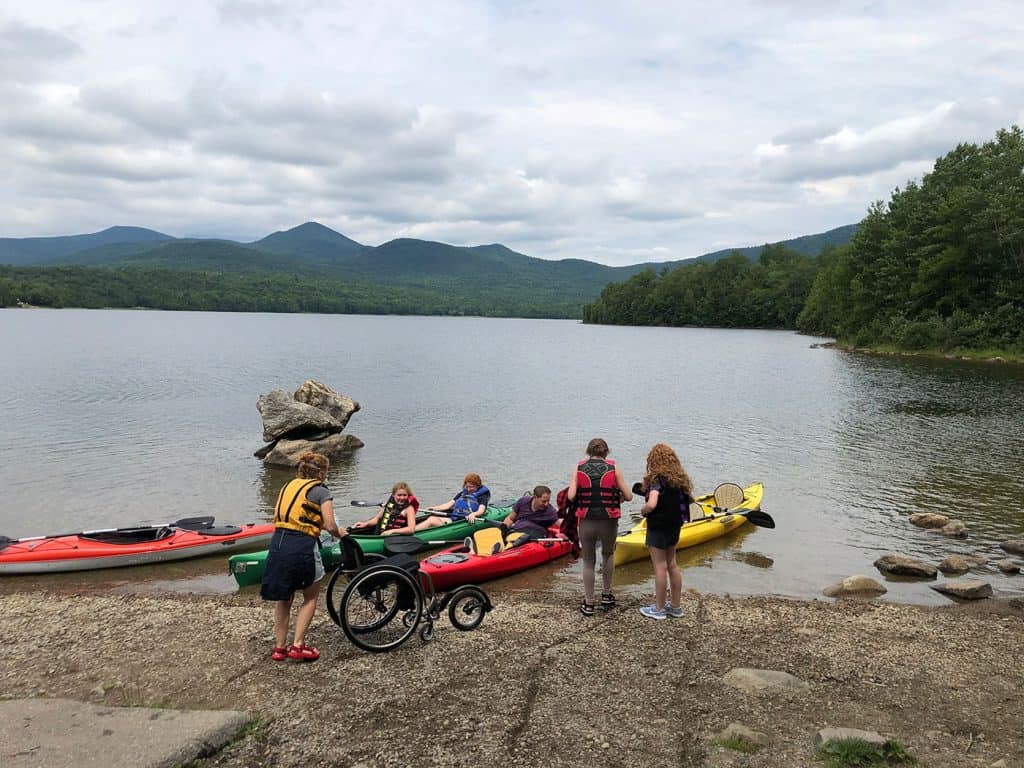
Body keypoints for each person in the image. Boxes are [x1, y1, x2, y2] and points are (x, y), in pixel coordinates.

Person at [260, 451, 345, 662]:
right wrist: (343, 535)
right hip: (302, 544)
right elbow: (330, 525)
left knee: (284, 598)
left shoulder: (288, 486)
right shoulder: (321, 491)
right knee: (310, 596)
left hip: (278, 542)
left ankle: (280, 648)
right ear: (321, 473)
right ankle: (298, 645)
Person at [568, 438, 632, 616]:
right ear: (606, 452)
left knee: (588, 561)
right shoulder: (613, 468)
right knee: (608, 554)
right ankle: (606, 594)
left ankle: (589, 604)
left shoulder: (579, 468)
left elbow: (571, 495)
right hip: (608, 520)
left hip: (587, 520)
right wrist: (615, 498)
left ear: (589, 451)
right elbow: (628, 496)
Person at [637, 443, 694, 620]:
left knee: (659, 566)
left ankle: (659, 608)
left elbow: (652, 503)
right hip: (675, 526)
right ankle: (675, 606)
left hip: (658, 527)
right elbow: (689, 500)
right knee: (672, 564)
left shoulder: (656, 481)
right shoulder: (679, 480)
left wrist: (643, 510)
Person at [416, 473, 491, 530]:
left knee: (431, 521)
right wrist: (434, 508)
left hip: (465, 521)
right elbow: (448, 505)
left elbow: (481, 510)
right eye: (467, 486)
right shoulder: (462, 494)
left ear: (478, 486)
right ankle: (411, 531)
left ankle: (412, 531)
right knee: (431, 518)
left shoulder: (482, 496)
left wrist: (474, 514)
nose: (468, 489)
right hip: (454, 519)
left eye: (471, 487)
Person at [353, 482, 420, 536]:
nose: (402, 498)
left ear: (408, 495)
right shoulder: (389, 506)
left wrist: (392, 531)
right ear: (393, 495)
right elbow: (376, 519)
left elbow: (411, 530)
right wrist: (365, 524)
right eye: (399, 495)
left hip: (397, 535)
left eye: (404, 495)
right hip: (383, 534)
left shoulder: (409, 509)